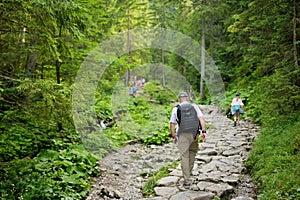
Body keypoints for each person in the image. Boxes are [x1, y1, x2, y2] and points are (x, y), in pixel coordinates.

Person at [169, 92, 206, 189]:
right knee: (193, 152)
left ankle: (187, 180)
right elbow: (201, 118)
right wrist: (203, 131)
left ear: (179, 99)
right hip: (194, 134)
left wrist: (173, 135)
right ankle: (189, 172)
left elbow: (172, 123)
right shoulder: (194, 106)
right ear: (187, 98)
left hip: (182, 134)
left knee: (184, 156)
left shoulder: (176, 109)